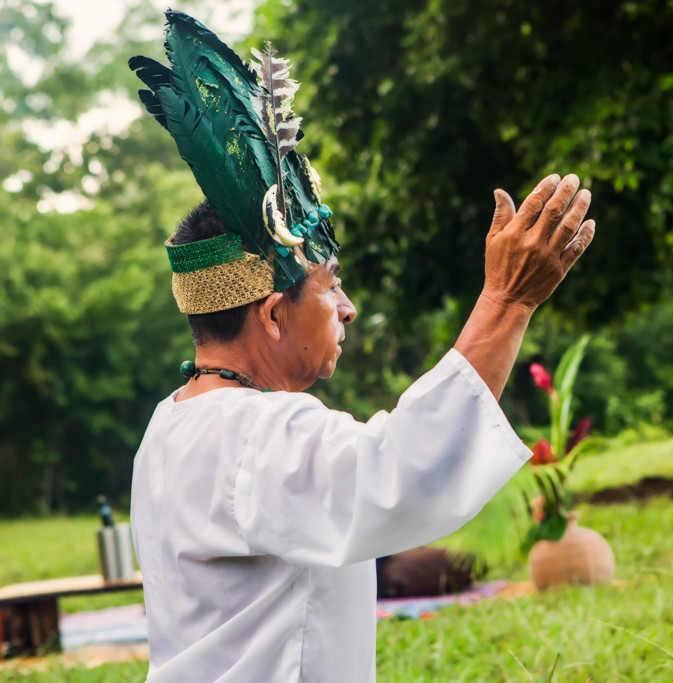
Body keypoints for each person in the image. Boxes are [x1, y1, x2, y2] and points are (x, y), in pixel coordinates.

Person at [128, 11, 596, 682]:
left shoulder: (169, 424)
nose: (347, 307)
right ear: (272, 316)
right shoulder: (256, 432)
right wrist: (507, 301)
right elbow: (400, 472)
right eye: (329, 286)